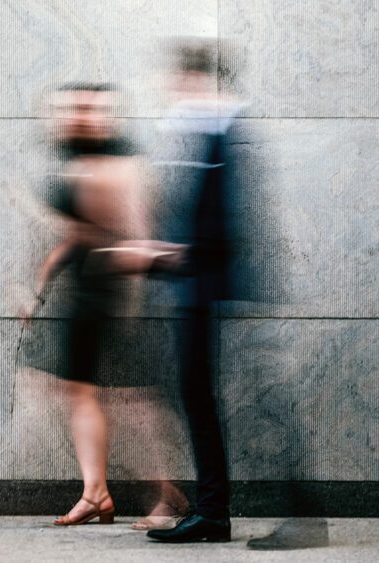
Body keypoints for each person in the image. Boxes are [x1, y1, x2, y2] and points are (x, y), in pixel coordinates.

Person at [19, 82, 187, 527]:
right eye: (70, 107)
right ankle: (96, 493)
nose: (76, 115)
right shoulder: (76, 161)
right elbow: (74, 236)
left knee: (134, 403)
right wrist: (38, 289)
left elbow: (140, 234)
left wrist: (129, 288)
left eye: (88, 107)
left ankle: (168, 498)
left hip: (119, 296)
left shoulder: (122, 166)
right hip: (87, 295)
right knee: (81, 393)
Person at [146, 39, 249, 544]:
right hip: (197, 286)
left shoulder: (222, 130)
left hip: (201, 288)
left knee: (198, 395)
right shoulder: (211, 132)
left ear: (200, 78)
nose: (175, 90)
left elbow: (219, 224)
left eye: (182, 80)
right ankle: (212, 509)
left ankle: (214, 511)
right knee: (196, 395)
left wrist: (169, 254)